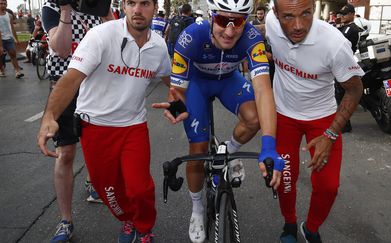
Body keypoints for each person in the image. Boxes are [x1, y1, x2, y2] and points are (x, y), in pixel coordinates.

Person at [38, 0, 171, 242]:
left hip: (133, 127)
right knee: (108, 191)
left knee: (140, 189)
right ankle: (128, 220)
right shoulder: (101, 35)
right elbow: (70, 79)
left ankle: (144, 227)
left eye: (144, 3)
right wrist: (49, 117)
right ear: (124, 5)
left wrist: (181, 104)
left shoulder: (159, 45)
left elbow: (170, 80)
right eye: (131, 3)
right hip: (95, 128)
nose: (137, 10)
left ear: (155, 7)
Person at [152, 0, 284, 242]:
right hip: (198, 85)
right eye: (224, 20)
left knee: (253, 118)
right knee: (198, 148)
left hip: (228, 81)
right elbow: (178, 88)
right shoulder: (190, 37)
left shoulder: (252, 37)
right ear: (212, 16)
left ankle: (228, 151)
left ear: (246, 20)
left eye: (239, 21)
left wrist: (269, 145)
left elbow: (264, 90)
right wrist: (177, 104)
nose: (230, 31)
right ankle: (197, 209)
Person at [265, 0, 364, 242]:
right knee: (284, 178)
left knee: (328, 186)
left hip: (323, 119)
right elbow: (256, 30)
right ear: (275, 14)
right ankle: (289, 225)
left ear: (313, 9)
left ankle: (310, 229)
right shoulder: (270, 24)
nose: (298, 25)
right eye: (288, 17)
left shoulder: (335, 44)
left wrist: (330, 134)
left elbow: (354, 90)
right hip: (284, 116)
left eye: (306, 14)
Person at [40, 0, 113, 241]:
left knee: (97, 145)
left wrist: (103, 13)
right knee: (66, 153)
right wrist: (65, 10)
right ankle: (65, 220)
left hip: (95, 87)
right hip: (65, 87)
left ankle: (94, 185)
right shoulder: (52, 7)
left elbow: (118, 41)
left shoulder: (96, 5)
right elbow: (60, 49)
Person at [336, 3, 362, 133]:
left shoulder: (351, 28)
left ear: (352, 14)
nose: (342, 16)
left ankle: (345, 125)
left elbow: (338, 41)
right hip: (341, 63)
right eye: (341, 14)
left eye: (345, 14)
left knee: (342, 96)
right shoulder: (345, 27)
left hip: (345, 64)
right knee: (339, 95)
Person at [0, 0, 24, 78]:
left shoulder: (9, 15)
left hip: (9, 38)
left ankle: (17, 71)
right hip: (0, 39)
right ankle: (2, 70)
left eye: (4, 4)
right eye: (1, 3)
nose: (3, 5)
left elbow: (12, 28)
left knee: (13, 54)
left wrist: (16, 39)